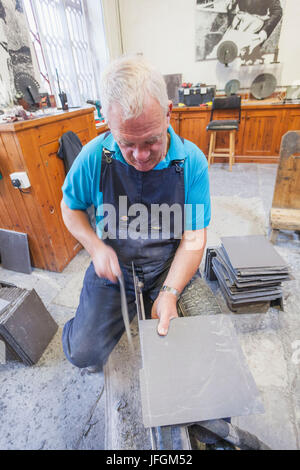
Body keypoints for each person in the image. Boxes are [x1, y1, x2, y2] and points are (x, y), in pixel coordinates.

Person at [60, 56, 211, 371]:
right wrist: (95, 247)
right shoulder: (94, 156)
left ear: (169, 112)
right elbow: (69, 207)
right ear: (107, 122)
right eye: (127, 143)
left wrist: (170, 292)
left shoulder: (191, 161)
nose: (141, 156)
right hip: (116, 270)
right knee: (83, 353)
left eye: (152, 140)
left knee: (210, 332)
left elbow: (194, 237)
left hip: (168, 265)